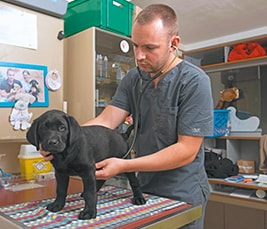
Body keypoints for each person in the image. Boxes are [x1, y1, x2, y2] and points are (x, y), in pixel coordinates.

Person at [41, 4, 213, 228]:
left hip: (181, 190)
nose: (139, 56)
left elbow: (186, 151)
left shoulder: (194, 82)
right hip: (143, 187)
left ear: (174, 44)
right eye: (135, 45)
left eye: (150, 48)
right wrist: (65, 141)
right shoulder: (134, 78)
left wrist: (124, 165)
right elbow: (106, 121)